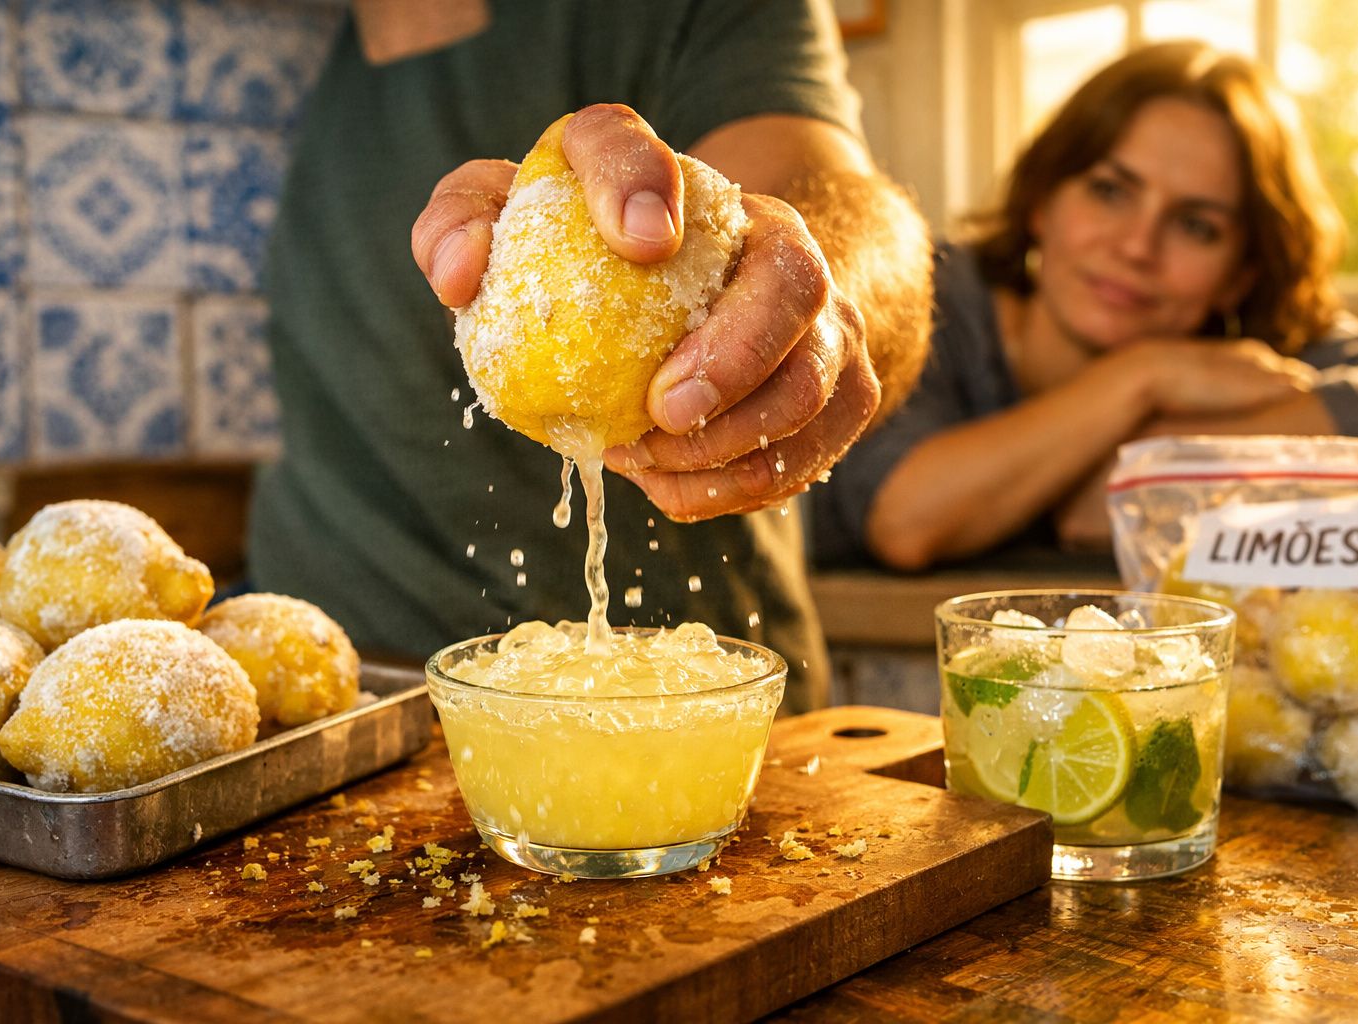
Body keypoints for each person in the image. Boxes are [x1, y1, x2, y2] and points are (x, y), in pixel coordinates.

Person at [246, 0, 933, 710]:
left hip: (675, 711)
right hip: (334, 708)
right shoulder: (329, 66)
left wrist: (803, 300)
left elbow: (830, 203)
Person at [812, 40, 1358, 573]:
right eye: (1109, 191)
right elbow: (906, 520)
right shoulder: (924, 293)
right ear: (1041, 201)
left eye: (1197, 226)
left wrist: (1129, 475)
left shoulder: (1256, 334)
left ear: (1241, 275)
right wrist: (1145, 377)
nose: (1137, 246)